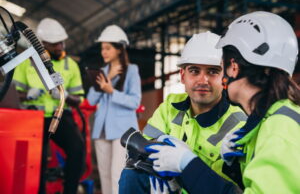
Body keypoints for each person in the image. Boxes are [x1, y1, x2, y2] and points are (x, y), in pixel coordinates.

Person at [146, 11, 300, 194]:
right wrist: (234, 167)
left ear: (233, 67)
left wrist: (189, 166)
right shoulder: (273, 119)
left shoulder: (279, 130)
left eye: (219, 67)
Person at [119, 31, 247, 194]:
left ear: (225, 76)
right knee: (131, 174)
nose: (203, 80)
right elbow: (142, 152)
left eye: (213, 71)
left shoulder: (239, 124)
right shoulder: (170, 106)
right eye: (194, 71)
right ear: (182, 75)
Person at [13, 18, 85, 194]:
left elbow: (79, 99)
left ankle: (70, 191)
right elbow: (14, 94)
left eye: (61, 42)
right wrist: (28, 94)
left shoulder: (71, 65)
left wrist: (65, 96)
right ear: (42, 44)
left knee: (77, 148)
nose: (59, 47)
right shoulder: (25, 63)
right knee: (36, 159)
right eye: (54, 44)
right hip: (33, 117)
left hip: (60, 115)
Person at [87, 24, 141, 194]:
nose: (104, 52)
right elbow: (90, 99)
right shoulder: (102, 72)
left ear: (119, 49)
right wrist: (107, 78)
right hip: (101, 131)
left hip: (122, 131)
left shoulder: (132, 70)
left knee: (118, 175)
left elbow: (134, 102)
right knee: (104, 176)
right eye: (102, 48)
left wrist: (112, 91)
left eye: (108, 48)